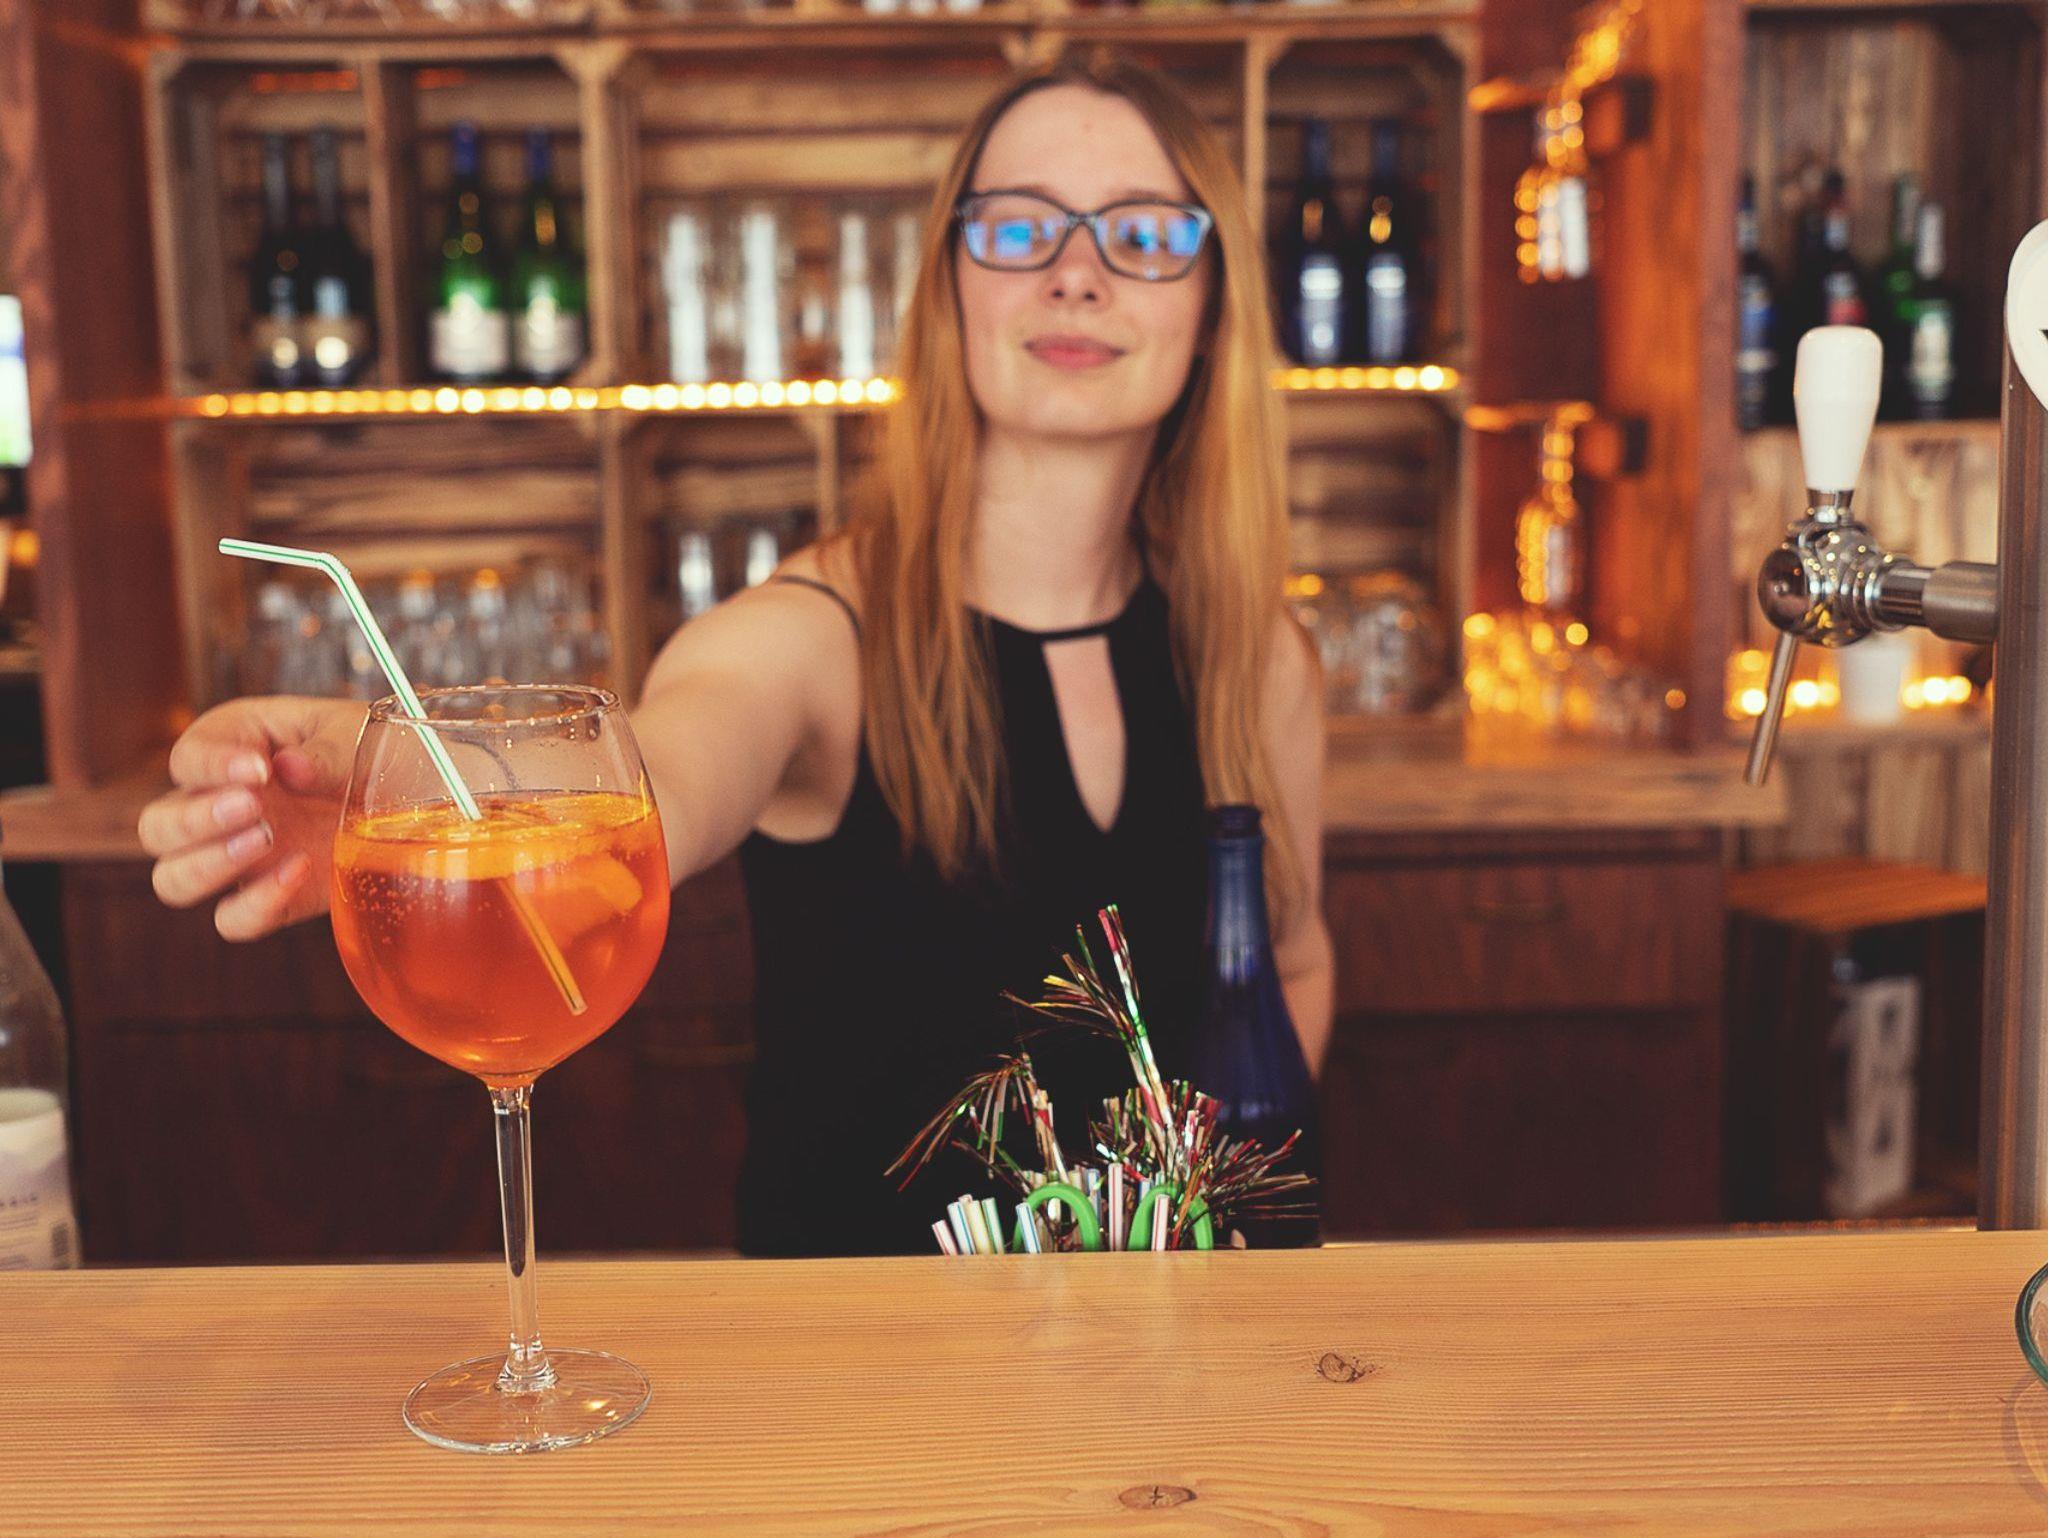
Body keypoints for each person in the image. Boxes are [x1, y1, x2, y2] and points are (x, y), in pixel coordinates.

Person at [137, 53, 1332, 1256]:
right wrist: (393, 778)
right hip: (866, 1350)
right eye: (1019, 229)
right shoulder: (809, 639)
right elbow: (658, 779)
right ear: (946, 288)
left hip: (1180, 1342)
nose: (1076, 273)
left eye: (1143, 233)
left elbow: (1288, 964)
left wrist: (1216, 1230)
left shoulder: (1257, 656)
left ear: (1212, 303)